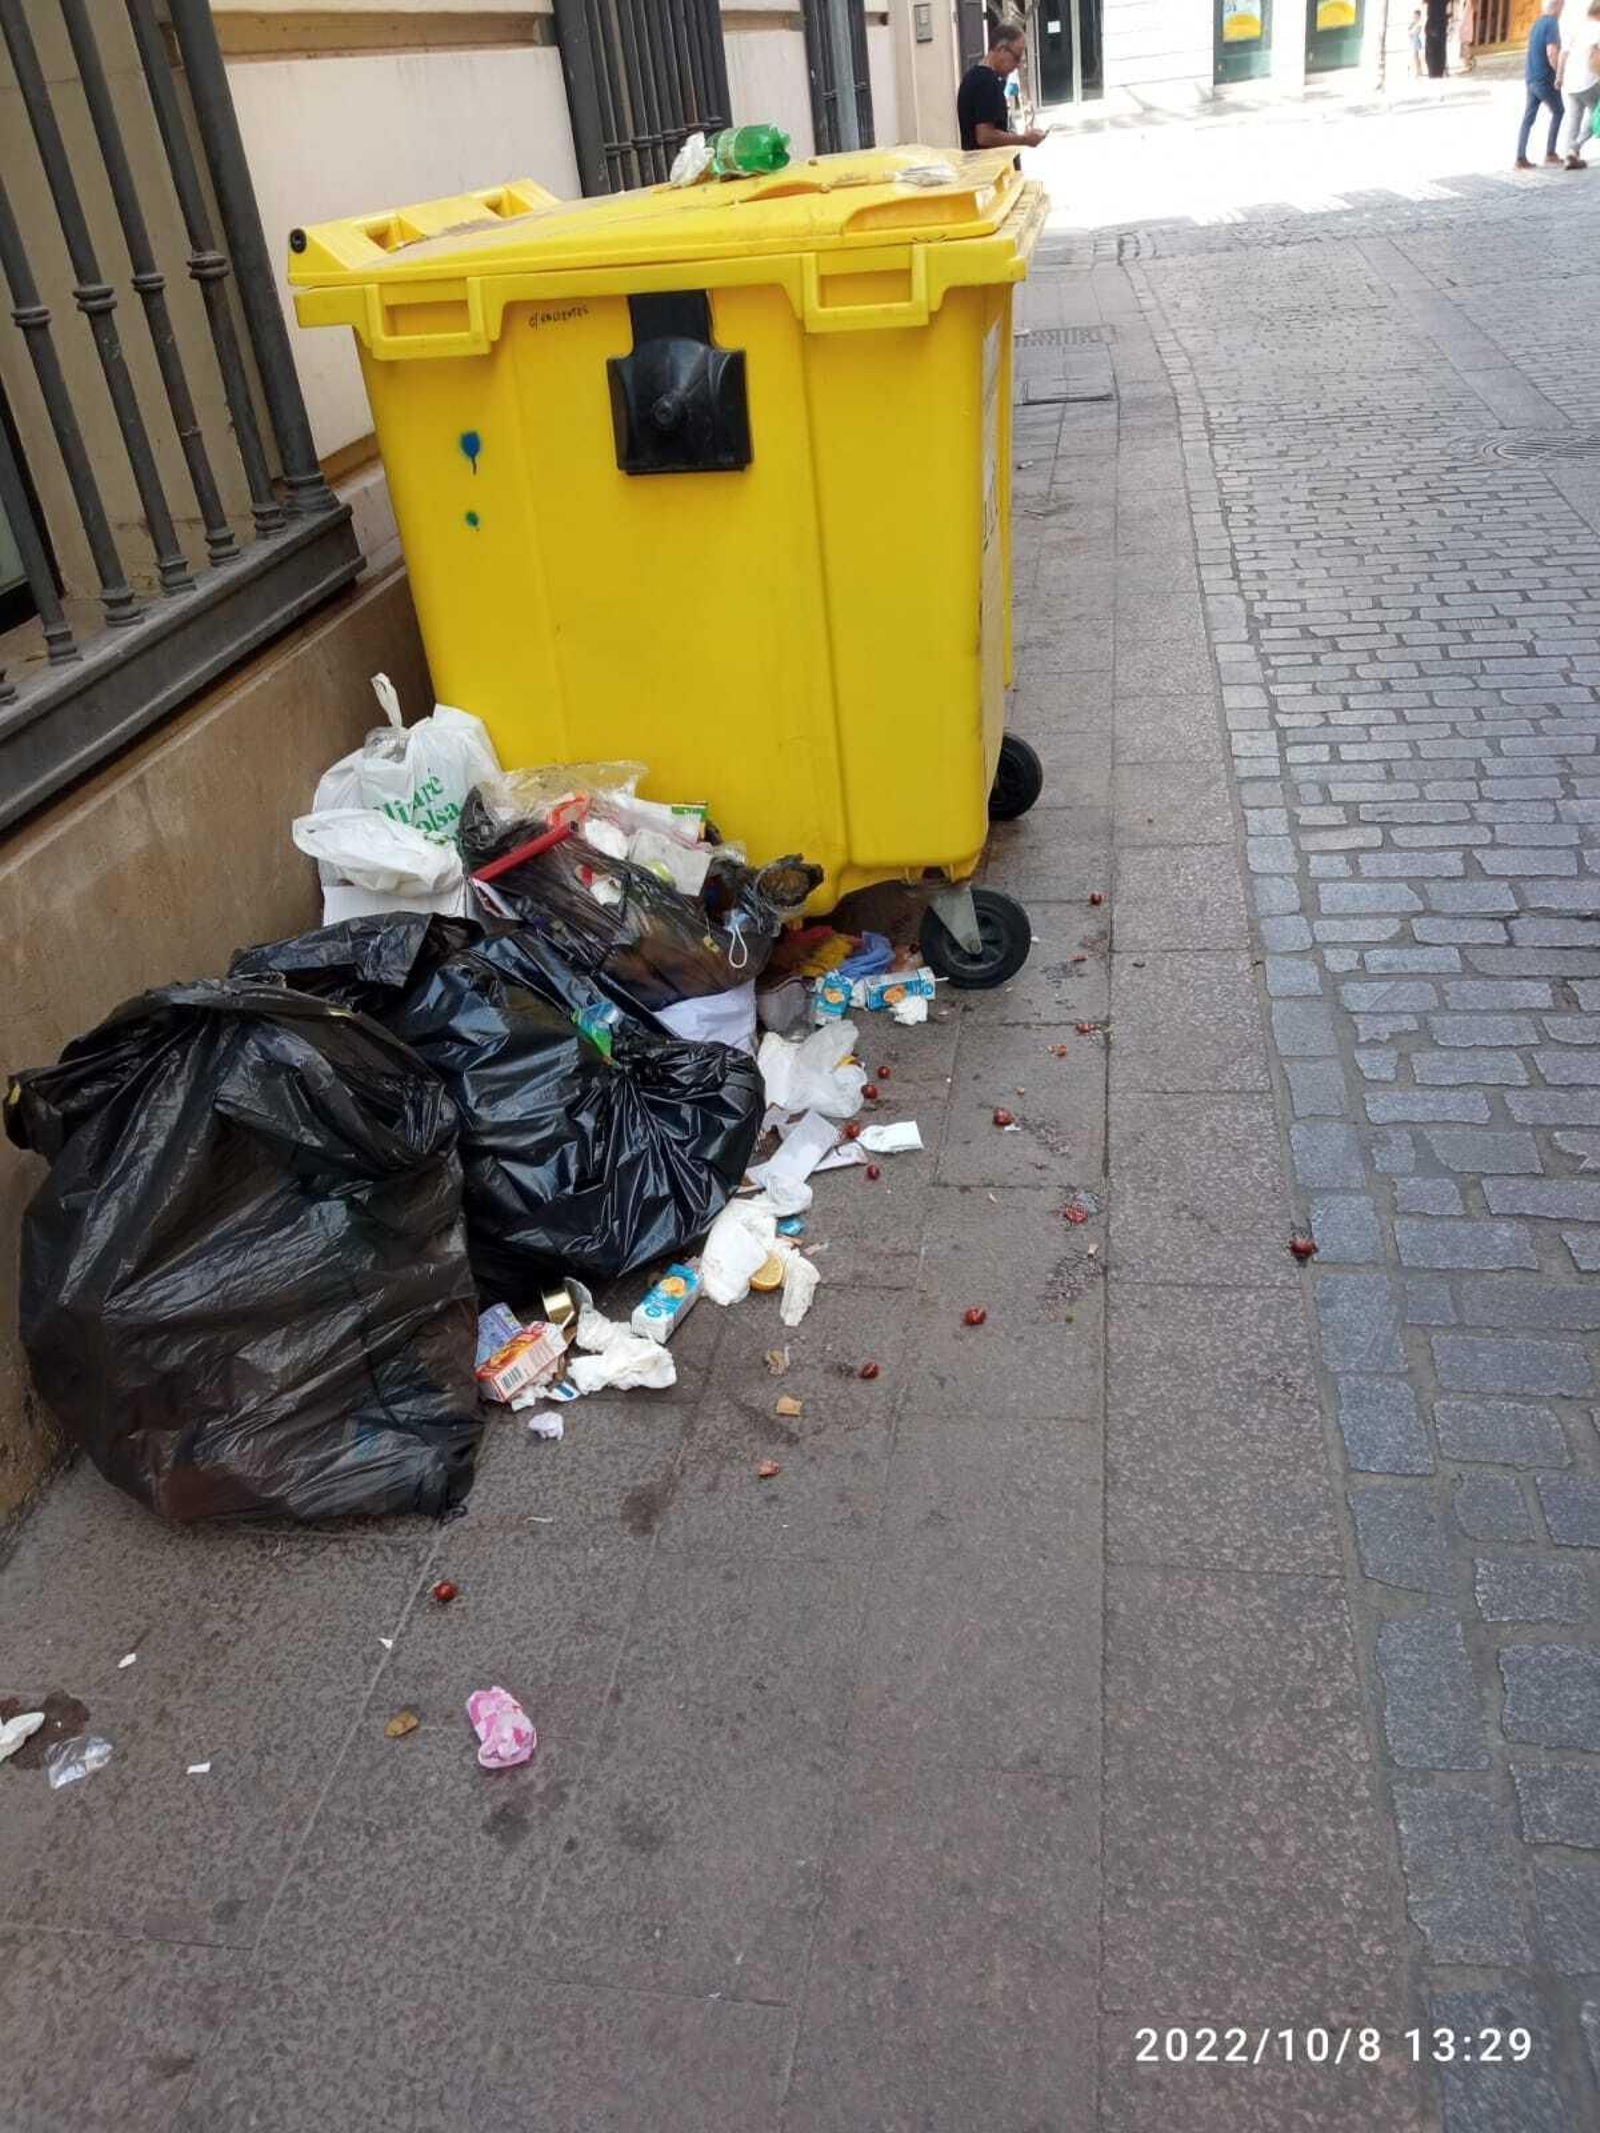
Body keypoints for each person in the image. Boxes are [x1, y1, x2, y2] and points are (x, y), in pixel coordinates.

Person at [957, 25, 1045, 153]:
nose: (1017, 66)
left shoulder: (973, 76)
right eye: (1016, 58)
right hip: (989, 167)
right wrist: (1025, 139)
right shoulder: (986, 81)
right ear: (1001, 49)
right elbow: (985, 136)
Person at [1516, 0, 1566, 168]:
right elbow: (1551, 52)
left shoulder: (1536, 23)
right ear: (1557, 5)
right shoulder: (1552, 23)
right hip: (1544, 78)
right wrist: (1559, 74)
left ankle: (1520, 157)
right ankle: (1550, 153)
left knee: (1528, 118)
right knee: (1559, 111)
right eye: (1562, 4)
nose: (1563, 8)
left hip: (1531, 77)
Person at [1558, 0, 1600, 166]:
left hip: (1571, 81)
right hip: (1588, 81)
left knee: (1574, 119)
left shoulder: (1577, 27)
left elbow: (1564, 52)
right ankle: (1575, 147)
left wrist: (1559, 76)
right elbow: (1593, 55)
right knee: (1596, 115)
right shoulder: (1597, 28)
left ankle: (1569, 156)